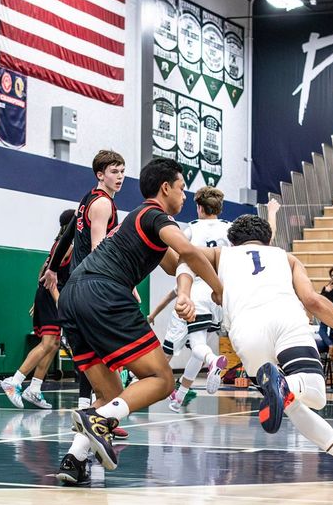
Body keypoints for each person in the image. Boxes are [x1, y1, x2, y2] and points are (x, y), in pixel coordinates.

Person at [51, 158, 222, 485]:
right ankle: (98, 421)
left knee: (113, 393)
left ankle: (74, 459)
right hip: (104, 292)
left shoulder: (141, 220)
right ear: (166, 188)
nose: (185, 196)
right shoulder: (153, 214)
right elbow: (188, 251)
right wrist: (220, 289)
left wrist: (185, 293)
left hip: (73, 296)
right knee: (161, 379)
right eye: (183, 189)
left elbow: (177, 265)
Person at [175, 214, 333, 484]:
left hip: (246, 332)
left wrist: (183, 293)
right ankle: (285, 385)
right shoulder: (286, 257)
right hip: (287, 321)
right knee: (315, 395)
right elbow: (312, 301)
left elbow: (185, 257)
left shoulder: (221, 253)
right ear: (269, 239)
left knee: (291, 403)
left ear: (232, 241)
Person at [42, 150, 126, 409]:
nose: (120, 176)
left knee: (94, 353)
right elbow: (98, 250)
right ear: (100, 174)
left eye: (122, 171)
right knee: (107, 352)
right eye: (114, 172)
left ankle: (92, 409)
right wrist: (121, 284)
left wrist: (53, 268)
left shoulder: (87, 199)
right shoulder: (102, 204)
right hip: (93, 286)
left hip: (79, 286)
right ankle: (98, 410)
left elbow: (66, 236)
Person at [162, 186, 231, 413]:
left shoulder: (190, 229)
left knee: (199, 346)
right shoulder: (229, 229)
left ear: (199, 207)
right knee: (196, 347)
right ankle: (179, 397)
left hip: (198, 291)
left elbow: (177, 257)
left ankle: (213, 361)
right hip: (219, 294)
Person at [0, 210, 76, 410]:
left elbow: (42, 270)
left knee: (53, 344)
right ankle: (14, 382)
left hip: (46, 296)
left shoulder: (61, 244)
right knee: (48, 342)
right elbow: (50, 277)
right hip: (52, 296)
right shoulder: (67, 246)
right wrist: (58, 301)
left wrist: (39, 297)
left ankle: (34, 388)